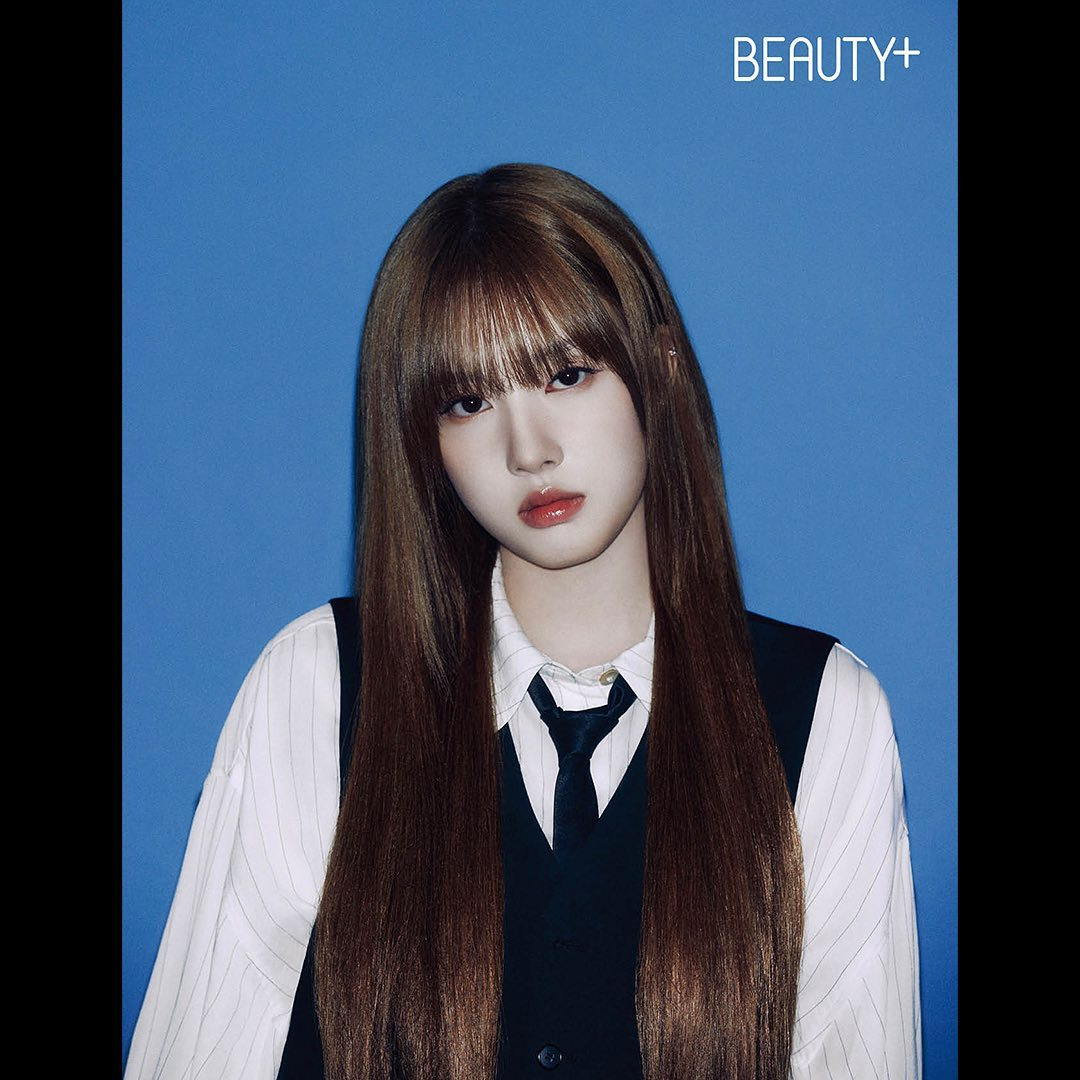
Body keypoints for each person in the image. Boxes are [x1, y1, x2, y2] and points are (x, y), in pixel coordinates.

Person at [125, 163, 920, 1080]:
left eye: (566, 375)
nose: (528, 450)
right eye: (469, 402)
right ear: (423, 436)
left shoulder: (823, 710)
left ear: (660, 369)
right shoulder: (318, 685)